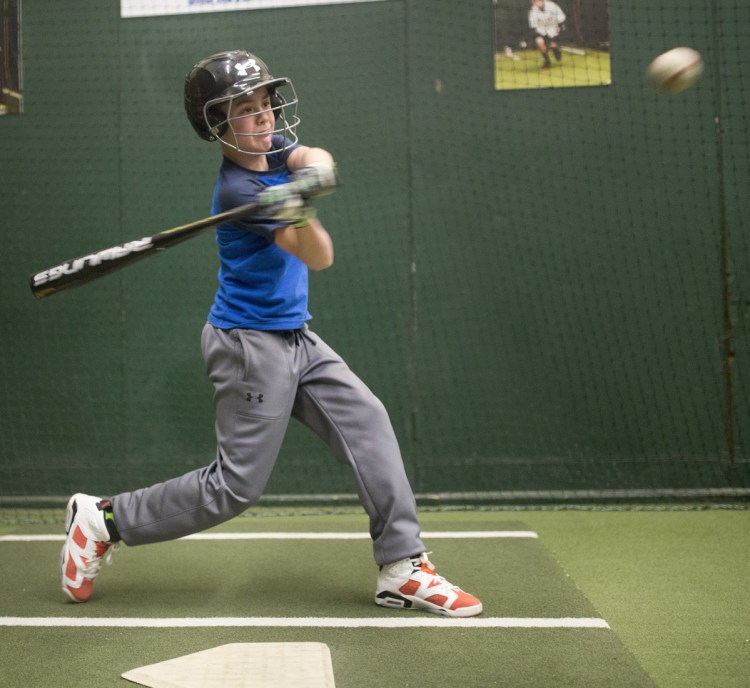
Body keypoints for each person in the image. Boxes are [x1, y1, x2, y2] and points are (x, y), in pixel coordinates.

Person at [59, 50, 482, 618]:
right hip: (248, 346)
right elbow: (320, 256)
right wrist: (298, 212)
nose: (264, 119)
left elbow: (311, 152)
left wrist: (311, 174)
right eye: (246, 111)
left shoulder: (274, 149)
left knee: (369, 422)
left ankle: (403, 568)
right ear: (217, 125)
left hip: (295, 339)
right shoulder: (239, 193)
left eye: (266, 105)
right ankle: (104, 520)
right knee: (233, 488)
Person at [528, 0, 566, 69]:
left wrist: (559, 26)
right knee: (539, 41)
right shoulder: (533, 10)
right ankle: (547, 61)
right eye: (532, 1)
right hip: (541, 31)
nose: (534, 3)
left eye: (535, 1)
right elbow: (533, 26)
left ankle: (556, 49)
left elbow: (561, 17)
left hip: (554, 30)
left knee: (552, 45)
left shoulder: (552, 5)